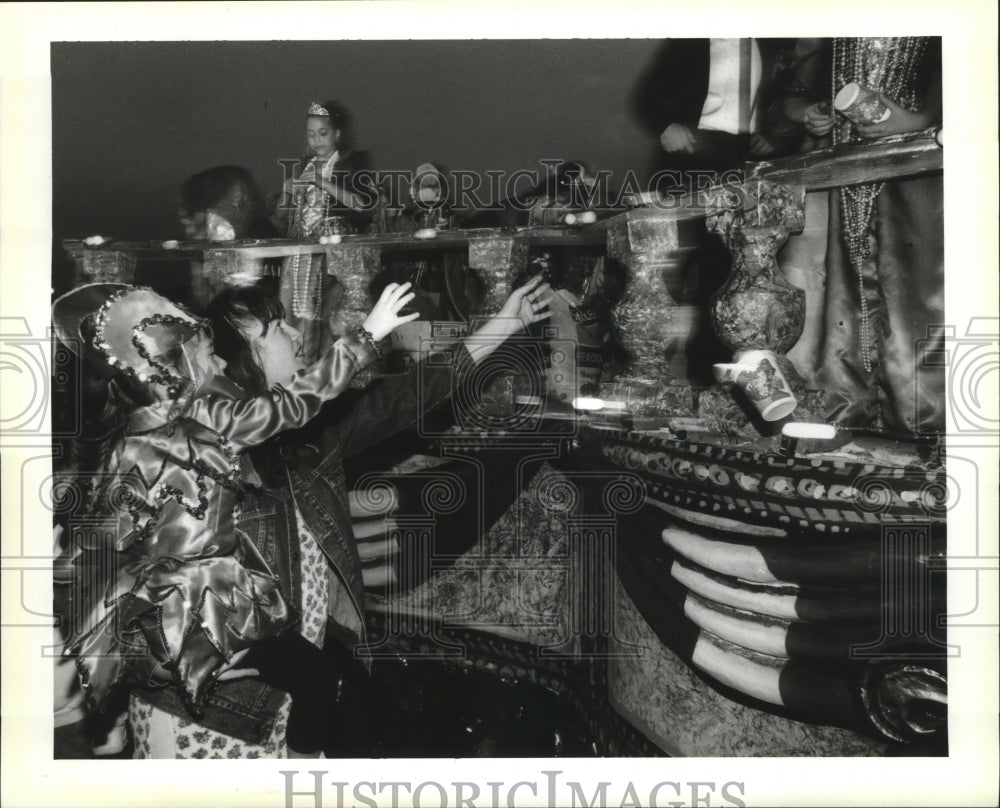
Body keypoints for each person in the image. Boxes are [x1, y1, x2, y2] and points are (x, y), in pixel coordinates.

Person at [116, 274, 554, 758]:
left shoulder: (310, 441)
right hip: (214, 715)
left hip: (298, 706)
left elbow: (407, 396)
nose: (298, 334)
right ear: (237, 357)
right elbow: (116, 573)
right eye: (276, 329)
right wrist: (158, 658)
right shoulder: (189, 450)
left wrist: (502, 325)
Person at [53, 279, 421, 755]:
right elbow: (289, 405)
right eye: (210, 355)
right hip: (198, 602)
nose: (223, 362)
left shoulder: (126, 438)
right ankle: (306, 765)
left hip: (180, 603)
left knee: (316, 676)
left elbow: (101, 552)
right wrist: (366, 337)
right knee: (317, 679)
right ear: (177, 367)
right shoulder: (204, 422)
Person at [774, 37, 943, 433]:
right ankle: (841, 419)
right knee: (837, 289)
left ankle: (931, 433)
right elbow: (814, 85)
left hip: (925, 160)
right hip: (845, 164)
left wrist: (925, 120)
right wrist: (821, 116)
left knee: (920, 291)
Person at [275, 101, 373, 355]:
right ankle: (298, 369)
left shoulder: (348, 165)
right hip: (301, 253)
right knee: (295, 314)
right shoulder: (303, 167)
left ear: (337, 134)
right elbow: (284, 217)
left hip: (334, 254)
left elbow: (363, 205)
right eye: (310, 134)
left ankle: (333, 372)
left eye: (323, 133)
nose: (316, 140)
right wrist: (286, 194)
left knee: (332, 316)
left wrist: (321, 182)